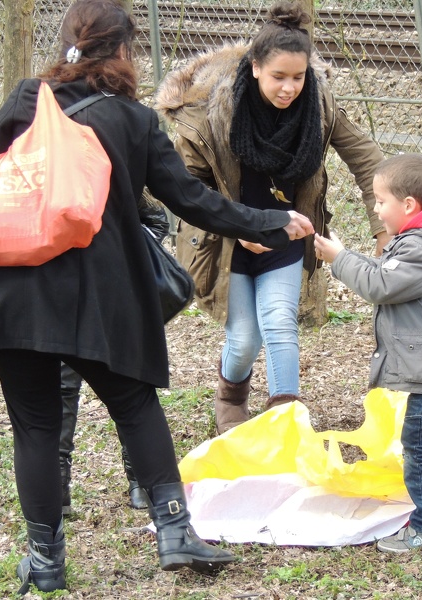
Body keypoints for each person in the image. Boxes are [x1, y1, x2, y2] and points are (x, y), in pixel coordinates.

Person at [0, 0, 313, 593]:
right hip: (98, 298)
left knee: (35, 427)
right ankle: (174, 532)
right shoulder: (133, 120)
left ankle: (45, 560)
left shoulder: (24, 100)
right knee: (135, 404)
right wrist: (268, 220)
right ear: (122, 51)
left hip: (12, 296)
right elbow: (191, 200)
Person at [153, 0, 391, 435]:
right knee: (243, 340)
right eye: (278, 77)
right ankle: (230, 394)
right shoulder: (213, 112)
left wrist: (383, 224)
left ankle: (286, 421)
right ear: (255, 67)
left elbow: (366, 158)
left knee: (280, 323)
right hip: (228, 240)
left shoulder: (317, 105)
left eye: (298, 77)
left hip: (287, 235)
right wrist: (238, 227)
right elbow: (183, 185)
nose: (288, 88)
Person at [314, 153, 422, 553]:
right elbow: (384, 275)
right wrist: (346, 257)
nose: (375, 208)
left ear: (408, 205)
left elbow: (379, 285)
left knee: (420, 443)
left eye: (379, 201)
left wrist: (339, 260)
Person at [59, 197, 170, 514]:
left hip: (114, 298)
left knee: (128, 387)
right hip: (64, 294)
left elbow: (156, 218)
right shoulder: (50, 168)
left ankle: (138, 482)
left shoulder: (110, 167)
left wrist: (127, 255)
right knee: (63, 388)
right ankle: (57, 489)